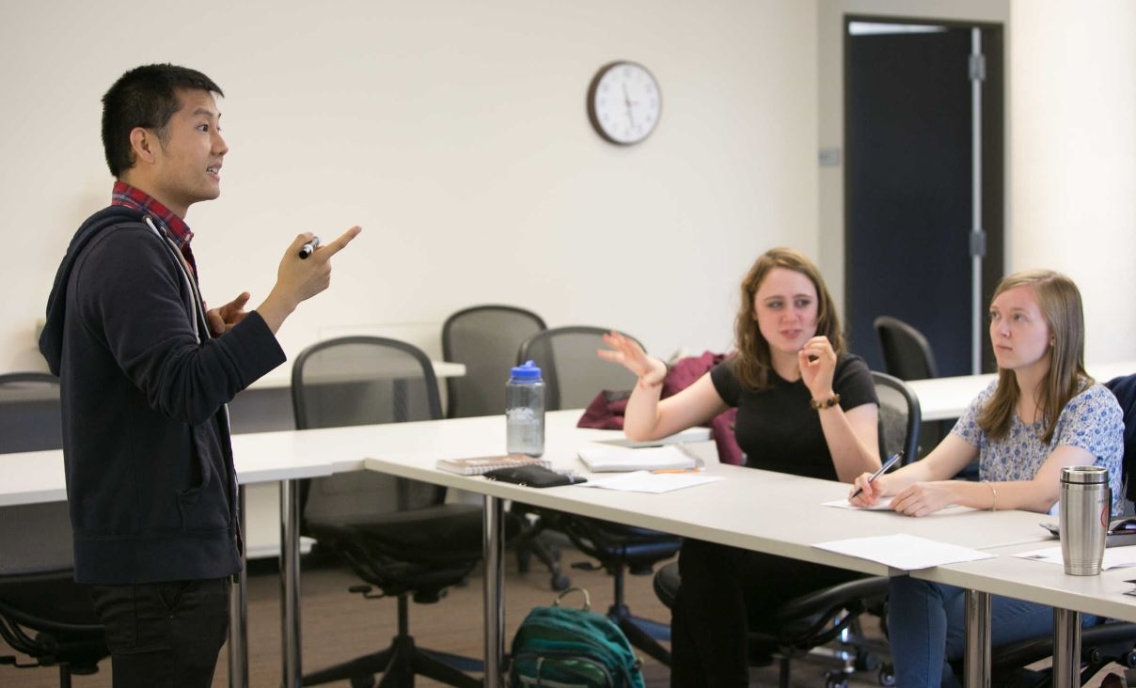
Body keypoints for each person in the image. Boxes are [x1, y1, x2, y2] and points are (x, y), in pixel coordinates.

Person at [38, 64, 361, 687]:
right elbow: (186, 391)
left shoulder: (136, 239)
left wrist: (200, 331)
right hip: (156, 557)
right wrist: (283, 299)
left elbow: (107, 360)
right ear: (145, 143)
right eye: (203, 126)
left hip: (157, 547)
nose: (222, 145)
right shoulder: (129, 248)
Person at [598, 247, 882, 687]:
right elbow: (645, 427)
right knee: (703, 560)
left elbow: (862, 475)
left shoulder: (847, 373)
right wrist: (650, 380)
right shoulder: (746, 371)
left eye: (802, 303)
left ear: (820, 309)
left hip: (828, 539)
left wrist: (823, 395)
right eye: (775, 304)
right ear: (754, 313)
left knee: (699, 577)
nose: (791, 316)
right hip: (760, 532)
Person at [849, 269, 1124, 688]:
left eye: (1018, 318)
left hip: (1070, 578)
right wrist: (882, 483)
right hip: (993, 562)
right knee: (911, 581)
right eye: (996, 315)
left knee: (928, 637)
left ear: (1055, 333)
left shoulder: (1091, 405)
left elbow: (1043, 492)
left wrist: (949, 493)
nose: (1001, 329)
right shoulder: (995, 398)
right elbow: (932, 467)